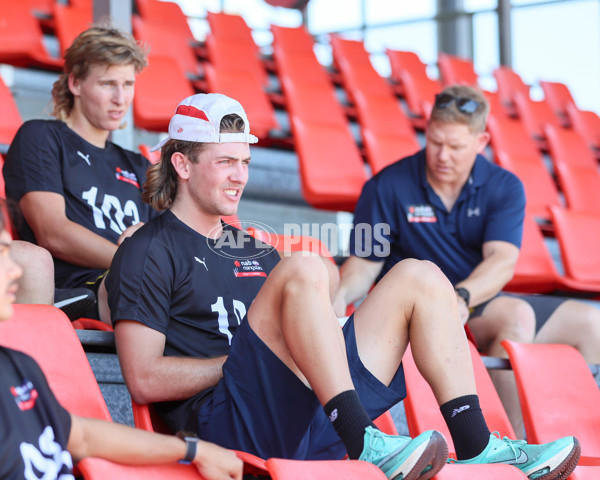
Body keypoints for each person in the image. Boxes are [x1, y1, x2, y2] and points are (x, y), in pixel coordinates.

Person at [106, 92, 580, 480]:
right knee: (308, 265)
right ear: (183, 166)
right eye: (225, 161)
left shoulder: (254, 250)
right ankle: (363, 437)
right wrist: (246, 358)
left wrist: (300, 346)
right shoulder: (149, 249)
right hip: (230, 425)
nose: (240, 177)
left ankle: (474, 442)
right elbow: (144, 380)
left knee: (420, 275)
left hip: (306, 410)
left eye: (245, 161)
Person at [333, 84, 600, 438]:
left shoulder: (504, 186)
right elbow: (362, 267)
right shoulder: (387, 186)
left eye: (456, 147)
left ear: (482, 141)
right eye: (436, 142)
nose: (443, 155)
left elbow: (503, 261)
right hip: (417, 310)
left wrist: (462, 298)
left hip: (474, 302)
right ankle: (507, 448)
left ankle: (574, 441)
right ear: (426, 132)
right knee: (517, 318)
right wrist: (331, 308)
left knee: (591, 322)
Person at [0, 205, 243, 480]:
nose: (14, 271)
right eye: (1, 254)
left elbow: (83, 436)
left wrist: (193, 451)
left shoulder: (18, 365)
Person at [3, 25, 157, 324]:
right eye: (107, 84)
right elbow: (54, 233)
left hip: (133, 283)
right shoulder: (41, 137)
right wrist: (131, 262)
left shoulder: (139, 165)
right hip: (78, 286)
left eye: (128, 84)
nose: (120, 98)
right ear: (75, 83)